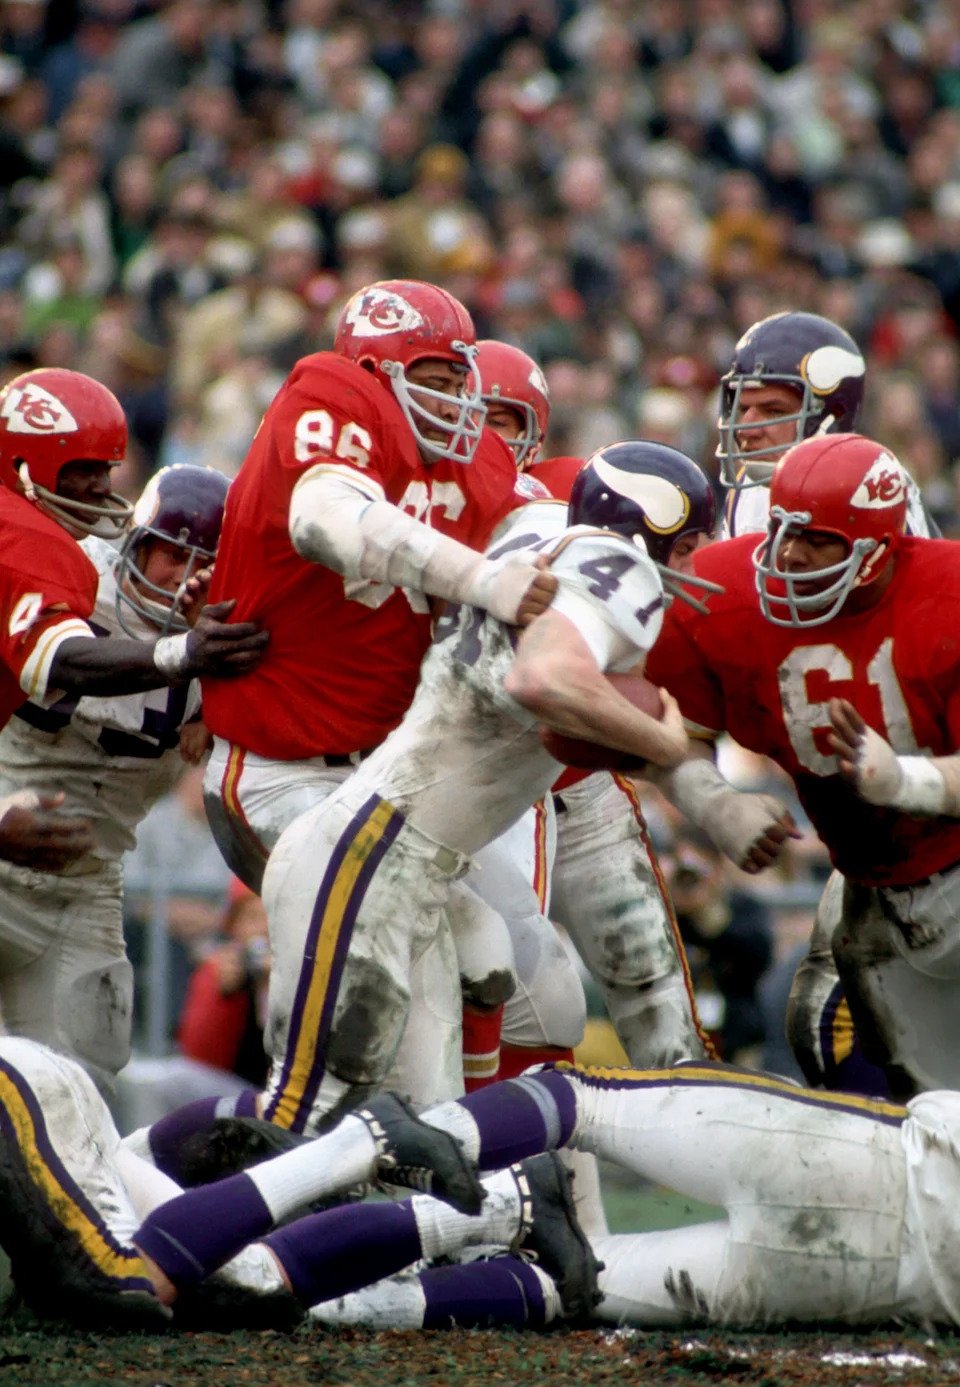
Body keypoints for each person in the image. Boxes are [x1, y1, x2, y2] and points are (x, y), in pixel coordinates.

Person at [255, 438, 704, 1136]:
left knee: (417, 1137)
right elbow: (543, 681)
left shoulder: (534, 534)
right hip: (365, 865)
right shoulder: (617, 568)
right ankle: (145, 1194)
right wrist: (665, 744)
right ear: (649, 531)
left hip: (392, 862)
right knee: (308, 1123)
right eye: (690, 547)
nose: (694, 569)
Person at [200, 280, 556, 896]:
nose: (452, 405)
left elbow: (536, 532)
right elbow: (325, 520)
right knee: (387, 919)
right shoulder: (328, 392)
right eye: (434, 383)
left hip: (394, 769)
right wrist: (486, 580)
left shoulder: (473, 461)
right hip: (283, 769)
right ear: (371, 372)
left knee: (512, 945)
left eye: (458, 386)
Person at [645, 431, 960, 1099]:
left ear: (879, 549)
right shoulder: (725, 590)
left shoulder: (948, 592)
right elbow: (666, 732)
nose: (789, 553)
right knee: (914, 1098)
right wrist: (714, 803)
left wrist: (904, 780)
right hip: (875, 885)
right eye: (782, 528)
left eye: (818, 539)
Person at [716, 310, 937, 1093]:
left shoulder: (846, 492)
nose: (748, 422)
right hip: (861, 781)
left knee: (840, 1013)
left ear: (827, 412)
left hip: (910, 785)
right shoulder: (767, 495)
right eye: (742, 403)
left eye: (772, 407)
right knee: (830, 1015)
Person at [0, 459, 236, 1092]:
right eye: (173, 554)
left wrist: (223, 702)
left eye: (209, 562)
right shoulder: (70, 574)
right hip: (1, 841)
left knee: (84, 1085)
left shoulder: (234, 637)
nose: (186, 575)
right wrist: (187, 657)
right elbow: (69, 661)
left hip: (84, 888)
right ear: (136, 542)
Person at [0, 366, 266, 728]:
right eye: (86, 469)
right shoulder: (36, 542)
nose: (103, 487)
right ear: (21, 464)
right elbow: (60, 660)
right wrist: (186, 653)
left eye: (106, 469)